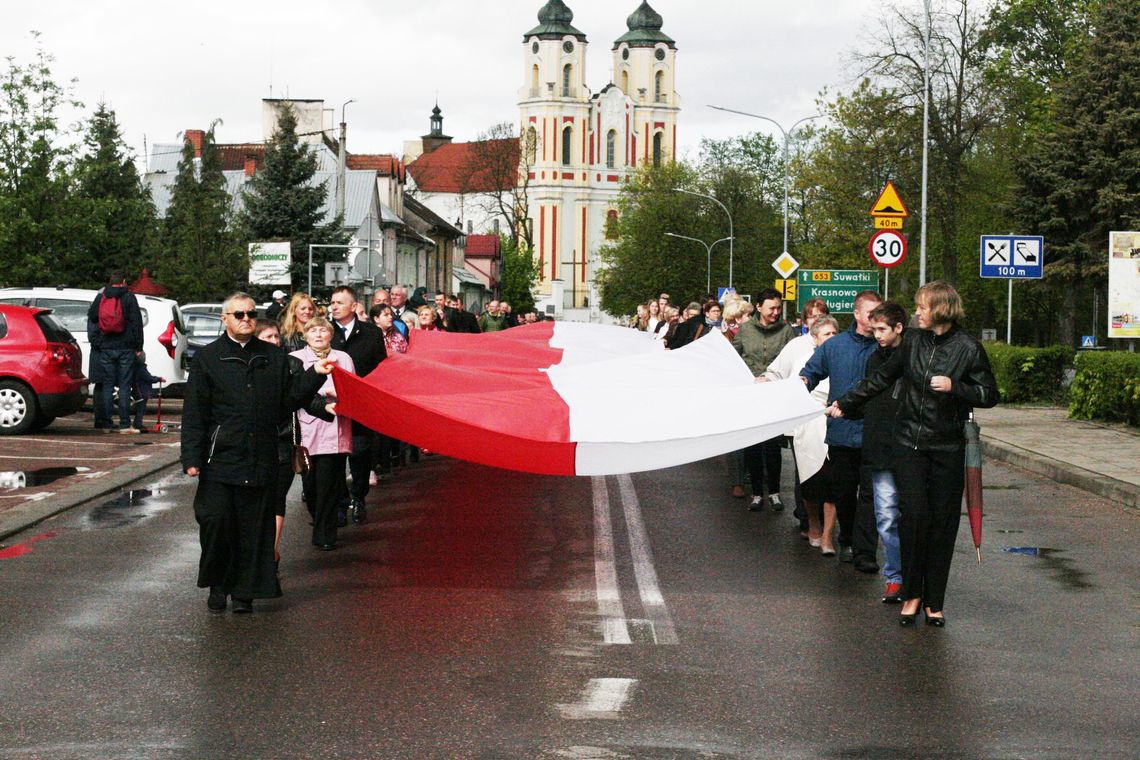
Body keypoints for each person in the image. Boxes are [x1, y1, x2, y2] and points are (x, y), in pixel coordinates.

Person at [831, 282, 999, 626]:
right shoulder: (912, 341)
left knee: (943, 524)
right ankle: (912, 595)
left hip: (948, 447)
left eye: (922, 307)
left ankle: (934, 602)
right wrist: (845, 403)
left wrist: (957, 388)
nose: (917, 312)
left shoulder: (968, 348)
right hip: (908, 444)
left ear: (940, 309)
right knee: (914, 519)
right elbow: (881, 379)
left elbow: (989, 393)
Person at [182, 292, 334, 614]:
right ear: (225, 319)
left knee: (253, 529)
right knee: (216, 523)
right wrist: (191, 457)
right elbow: (195, 412)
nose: (246, 319)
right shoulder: (208, 359)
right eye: (238, 314)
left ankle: (243, 593)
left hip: (260, 458)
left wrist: (315, 375)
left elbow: (289, 400)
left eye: (251, 314)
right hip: (220, 458)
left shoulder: (273, 357)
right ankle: (218, 585)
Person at [800, 290, 883, 570]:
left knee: (872, 495)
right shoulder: (836, 346)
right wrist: (801, 383)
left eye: (879, 313)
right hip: (843, 432)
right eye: (871, 314)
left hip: (876, 433)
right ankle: (846, 537)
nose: (875, 319)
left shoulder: (886, 347)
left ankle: (865, 551)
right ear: (857, 314)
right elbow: (811, 372)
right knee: (845, 493)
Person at [848, 301, 908, 602]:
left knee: (910, 516)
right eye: (874, 330)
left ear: (899, 328)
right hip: (879, 447)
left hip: (910, 448)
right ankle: (895, 578)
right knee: (885, 516)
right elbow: (869, 393)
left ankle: (913, 577)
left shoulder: (914, 356)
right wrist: (847, 409)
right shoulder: (874, 358)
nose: (877, 336)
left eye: (882, 330)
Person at [291, 317, 355, 551]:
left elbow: (353, 389)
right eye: (312, 331)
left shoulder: (344, 358)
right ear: (304, 336)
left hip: (335, 429)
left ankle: (325, 533)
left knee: (330, 483)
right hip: (307, 429)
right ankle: (319, 520)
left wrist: (338, 394)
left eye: (323, 330)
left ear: (331, 334)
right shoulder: (297, 359)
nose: (318, 335)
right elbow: (296, 393)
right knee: (310, 486)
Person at [734, 288, 797, 511]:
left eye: (778, 308)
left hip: (775, 395)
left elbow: (794, 359)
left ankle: (775, 492)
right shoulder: (746, 329)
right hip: (752, 395)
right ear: (759, 307)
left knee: (772, 446)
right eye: (771, 308)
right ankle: (757, 494)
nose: (775, 312)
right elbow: (734, 356)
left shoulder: (786, 331)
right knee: (753, 445)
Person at [329, 286, 387, 525]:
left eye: (339, 303)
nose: (334, 306)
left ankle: (358, 498)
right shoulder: (326, 332)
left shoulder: (370, 334)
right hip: (331, 404)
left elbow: (381, 367)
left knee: (360, 453)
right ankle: (341, 503)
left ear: (353, 307)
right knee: (334, 456)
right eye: (332, 302)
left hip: (361, 404)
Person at [254, 320, 295, 567]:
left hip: (282, 442)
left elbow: (300, 396)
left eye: (277, 336)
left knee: (277, 500)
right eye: (268, 337)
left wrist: (324, 407)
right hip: (255, 445)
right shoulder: (250, 368)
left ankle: (273, 551)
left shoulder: (289, 364)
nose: (275, 341)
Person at [87, 271, 145, 433]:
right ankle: (125, 424)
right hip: (125, 348)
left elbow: (92, 316)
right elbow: (137, 324)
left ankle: (106, 423)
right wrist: (138, 347)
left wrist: (99, 340)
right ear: (124, 281)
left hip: (106, 347)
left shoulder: (102, 296)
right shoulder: (129, 297)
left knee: (107, 386)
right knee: (125, 387)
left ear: (110, 281)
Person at [129, 352, 163, 432]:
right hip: (141, 393)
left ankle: (137, 423)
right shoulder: (141, 368)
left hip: (139, 392)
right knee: (141, 409)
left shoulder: (134, 367)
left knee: (140, 409)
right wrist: (158, 379)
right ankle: (137, 424)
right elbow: (148, 377)